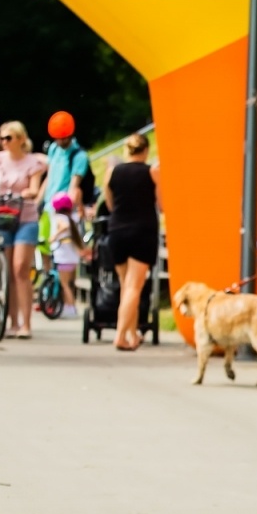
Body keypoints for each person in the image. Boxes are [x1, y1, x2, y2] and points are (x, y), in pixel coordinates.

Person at [0, 121, 47, 338]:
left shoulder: (33, 163)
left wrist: (29, 193)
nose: (4, 142)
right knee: (6, 271)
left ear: (21, 139)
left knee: (21, 268)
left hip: (25, 217)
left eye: (8, 138)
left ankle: (26, 323)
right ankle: (11, 321)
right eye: (2, 138)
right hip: (1, 217)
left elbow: (34, 188)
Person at [102, 132, 159, 351]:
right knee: (134, 287)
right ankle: (120, 335)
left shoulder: (112, 172)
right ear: (145, 151)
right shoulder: (152, 172)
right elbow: (162, 205)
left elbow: (109, 204)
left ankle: (132, 334)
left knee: (126, 286)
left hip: (116, 230)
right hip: (142, 231)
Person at [47, 193, 83, 318]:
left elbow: (64, 226)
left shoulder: (59, 218)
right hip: (73, 257)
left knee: (65, 284)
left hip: (63, 256)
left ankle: (70, 307)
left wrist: (54, 236)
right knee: (71, 283)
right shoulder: (73, 217)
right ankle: (70, 305)